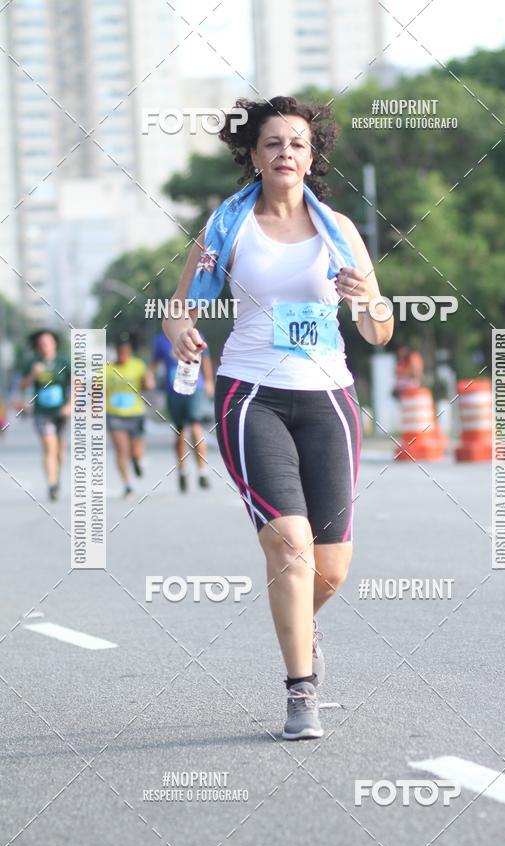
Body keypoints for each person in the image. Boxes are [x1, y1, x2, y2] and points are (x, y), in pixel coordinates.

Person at [162, 96, 393, 740]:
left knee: (331, 568)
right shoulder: (227, 228)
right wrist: (183, 333)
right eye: (273, 143)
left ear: (312, 154)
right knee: (289, 544)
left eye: (297, 142)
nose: (285, 152)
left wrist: (369, 298)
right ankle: (301, 692)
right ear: (255, 156)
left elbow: (379, 331)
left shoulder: (340, 230)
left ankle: (300, 622)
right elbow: (181, 308)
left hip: (330, 398)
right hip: (252, 394)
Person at [150, 329, 214, 492]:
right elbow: (154, 363)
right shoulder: (161, 340)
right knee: (180, 431)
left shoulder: (195, 334)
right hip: (174, 389)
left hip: (195, 387)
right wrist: (149, 376)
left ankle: (202, 472)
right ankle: (182, 470)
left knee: (195, 425)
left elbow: (205, 359)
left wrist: (208, 381)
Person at [19, 329, 71, 501]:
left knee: (59, 450)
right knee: (50, 446)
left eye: (47, 342)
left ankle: (56, 476)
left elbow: (77, 383)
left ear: (54, 343)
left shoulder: (63, 361)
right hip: (42, 412)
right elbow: (22, 386)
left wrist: (70, 405)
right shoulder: (32, 362)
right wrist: (33, 374)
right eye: (41, 344)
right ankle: (52, 484)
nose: (44, 346)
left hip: (61, 411)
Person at [106, 333, 154, 498]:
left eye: (126, 350)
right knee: (121, 450)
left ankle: (137, 460)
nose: (123, 353)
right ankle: (128, 484)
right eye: (120, 350)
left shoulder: (138, 365)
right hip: (115, 414)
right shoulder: (107, 369)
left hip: (135, 413)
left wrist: (148, 382)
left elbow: (148, 385)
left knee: (136, 452)